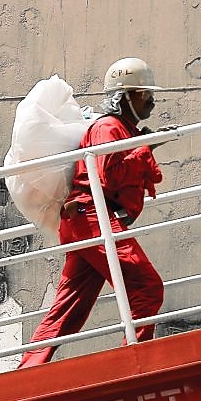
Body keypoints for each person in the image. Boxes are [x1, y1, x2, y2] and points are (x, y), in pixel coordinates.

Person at [19, 58, 168, 367]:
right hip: (91, 217)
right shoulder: (107, 128)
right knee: (146, 286)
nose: (152, 100)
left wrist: (144, 146)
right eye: (144, 94)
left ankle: (27, 372)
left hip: (85, 221)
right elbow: (107, 177)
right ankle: (133, 363)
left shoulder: (123, 130)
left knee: (69, 307)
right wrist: (146, 147)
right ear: (124, 97)